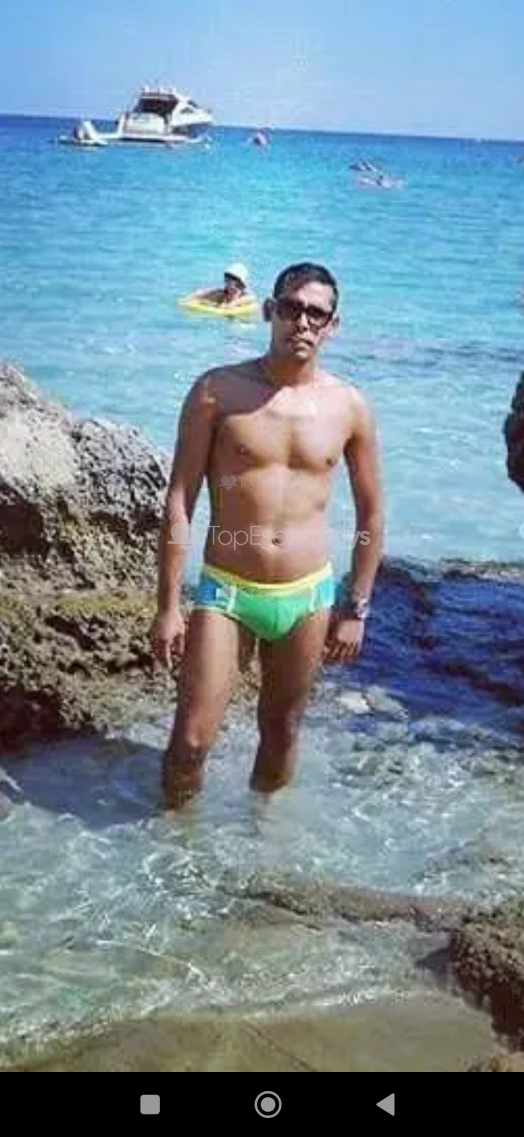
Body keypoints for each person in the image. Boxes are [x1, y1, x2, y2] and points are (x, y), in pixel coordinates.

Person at [150, 262, 384, 810]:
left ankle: (261, 837)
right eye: (291, 308)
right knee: (190, 742)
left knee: (281, 733)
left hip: (308, 597)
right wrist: (168, 605)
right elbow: (180, 500)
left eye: (316, 313)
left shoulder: (349, 406)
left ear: (332, 326)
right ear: (269, 311)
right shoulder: (217, 391)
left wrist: (356, 608)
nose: (302, 322)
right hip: (226, 592)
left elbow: (372, 515)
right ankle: (172, 842)